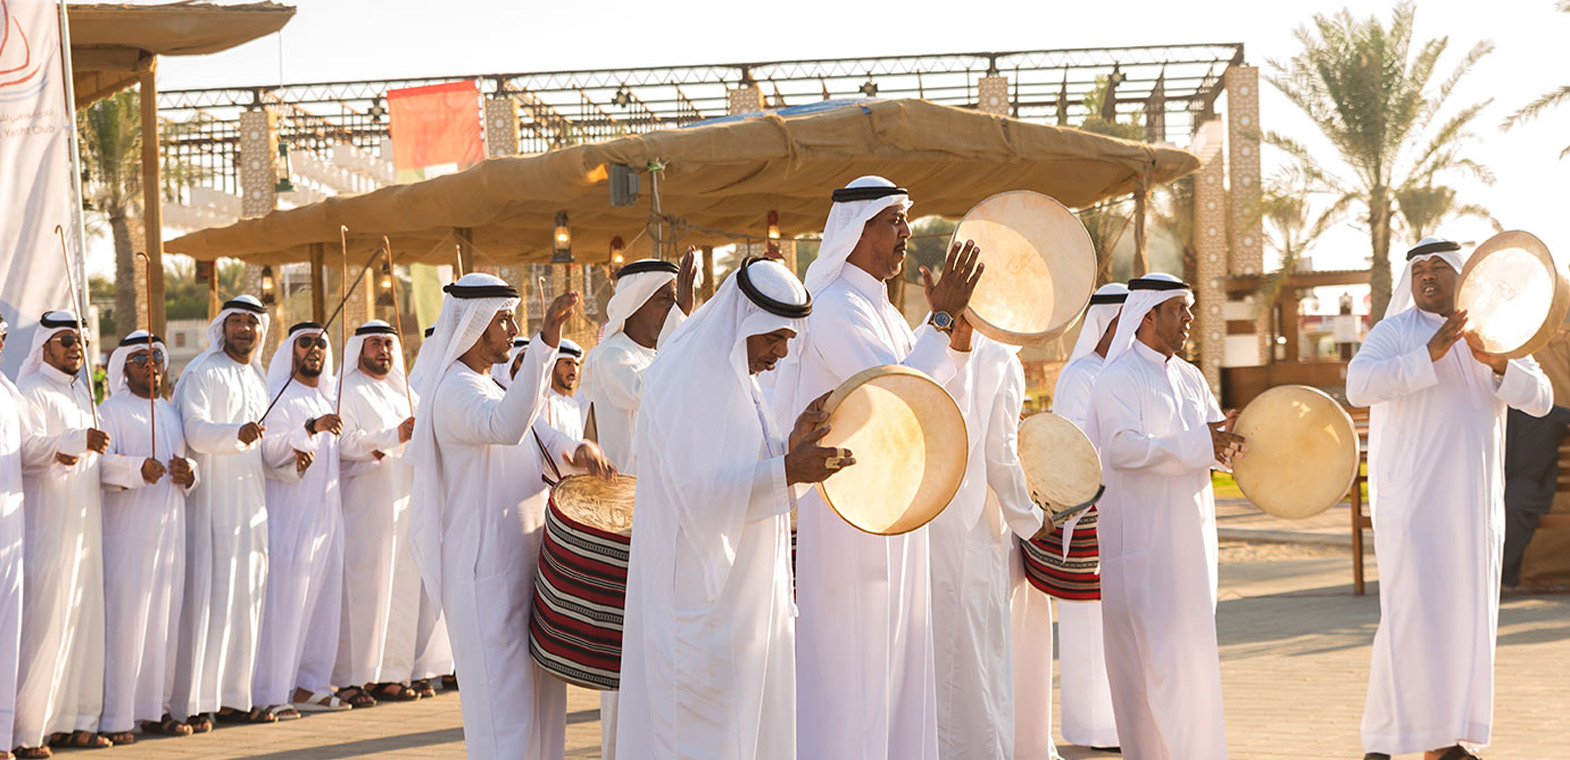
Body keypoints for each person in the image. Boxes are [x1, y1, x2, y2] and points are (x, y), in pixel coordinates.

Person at [771, 175, 982, 760]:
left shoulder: (879, 310)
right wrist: (940, 323)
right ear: (856, 231)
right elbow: (896, 396)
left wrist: (953, 335)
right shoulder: (836, 307)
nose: (906, 232)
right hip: (847, 513)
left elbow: (923, 388)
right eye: (893, 220)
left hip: (893, 506)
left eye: (904, 220)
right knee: (854, 666)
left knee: (897, 665)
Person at [616, 257, 845, 760]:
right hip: (699, 603)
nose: (781, 353)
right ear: (745, 323)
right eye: (773, 339)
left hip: (747, 602)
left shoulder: (741, 379)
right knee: (702, 739)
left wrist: (791, 451)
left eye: (787, 340)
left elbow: (748, 480)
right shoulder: (685, 382)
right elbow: (696, 493)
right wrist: (787, 469)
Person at [1348, 238, 1552, 760]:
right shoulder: (1394, 332)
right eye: (1418, 269)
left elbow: (1542, 398)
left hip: (1473, 506)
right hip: (1411, 504)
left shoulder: (1497, 331)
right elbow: (1359, 385)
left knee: (1463, 620)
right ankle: (1401, 738)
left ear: (1463, 276)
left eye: (1439, 267)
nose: (1428, 275)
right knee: (1411, 617)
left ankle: (1438, 737)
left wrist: (1499, 363)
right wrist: (1428, 354)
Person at [407, 273, 614, 760]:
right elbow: (505, 426)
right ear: (476, 327)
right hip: (483, 576)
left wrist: (577, 449)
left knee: (543, 710)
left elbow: (540, 432)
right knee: (504, 717)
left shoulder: (491, 381)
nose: (511, 328)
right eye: (504, 320)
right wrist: (545, 345)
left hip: (526, 568)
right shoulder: (454, 391)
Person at [1085, 273, 1241, 760]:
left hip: (1191, 545)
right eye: (1179, 309)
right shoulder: (1118, 377)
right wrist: (1201, 444)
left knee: (1190, 662)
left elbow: (1211, 440)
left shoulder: (1190, 376)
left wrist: (1228, 443)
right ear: (1147, 315)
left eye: (1189, 309)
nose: (1188, 319)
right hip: (1143, 549)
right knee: (1152, 670)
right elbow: (1123, 450)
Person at [579, 252, 695, 759]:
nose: (673, 310)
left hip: (673, 526)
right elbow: (655, 395)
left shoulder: (666, 352)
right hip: (627, 527)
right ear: (636, 303)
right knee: (628, 664)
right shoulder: (611, 357)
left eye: (675, 300)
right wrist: (685, 331)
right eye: (666, 300)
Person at [1017, 283, 1128, 755]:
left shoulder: (1118, 373)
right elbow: (1071, 452)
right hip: (1083, 514)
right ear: (1106, 324)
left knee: (1111, 622)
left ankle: (1113, 721)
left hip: (1119, 510)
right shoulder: (1082, 374)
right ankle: (1089, 726)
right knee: (1085, 626)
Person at [927, 331, 1045, 760]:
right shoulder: (1002, 359)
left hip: (932, 527)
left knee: (948, 666)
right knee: (980, 670)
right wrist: (1033, 518)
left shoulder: (931, 341)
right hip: (978, 535)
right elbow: (1001, 456)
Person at [334, 320, 452, 703]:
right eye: (374, 344)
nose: (383, 350)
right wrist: (393, 436)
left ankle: (393, 674)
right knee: (366, 592)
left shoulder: (406, 393)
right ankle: (356, 678)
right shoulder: (346, 391)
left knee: (401, 593)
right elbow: (344, 443)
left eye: (388, 343)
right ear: (359, 350)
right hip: (365, 508)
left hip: (406, 505)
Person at [170, 295, 273, 730]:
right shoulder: (202, 372)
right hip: (212, 501)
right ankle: (198, 700)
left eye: (253, 322)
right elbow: (193, 430)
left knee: (246, 599)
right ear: (222, 328)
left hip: (251, 500)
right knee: (212, 598)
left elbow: (267, 445)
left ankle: (236, 696)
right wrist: (237, 434)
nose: (245, 329)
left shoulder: (259, 378)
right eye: (237, 322)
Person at [13, 311, 112, 755]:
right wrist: (70, 443)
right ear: (44, 346)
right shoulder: (30, 392)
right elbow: (27, 450)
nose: (75, 347)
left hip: (85, 529)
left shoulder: (85, 396)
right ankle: (29, 730)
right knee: (45, 624)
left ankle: (75, 720)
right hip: (47, 527)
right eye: (66, 340)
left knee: (81, 621)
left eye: (80, 340)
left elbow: (103, 460)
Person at [96, 332, 198, 743]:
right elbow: (99, 467)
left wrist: (189, 473)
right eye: (140, 358)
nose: (150, 364)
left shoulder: (172, 412)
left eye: (156, 356)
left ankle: (157, 709)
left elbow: (190, 463)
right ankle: (118, 716)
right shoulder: (110, 411)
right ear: (124, 366)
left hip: (169, 532)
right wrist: (137, 469)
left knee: (164, 624)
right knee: (127, 624)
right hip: (127, 536)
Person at [253, 322, 351, 719]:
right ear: (291, 351)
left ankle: (311, 684)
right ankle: (272, 691)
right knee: (287, 603)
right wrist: (310, 429)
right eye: (306, 343)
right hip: (290, 517)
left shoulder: (327, 397)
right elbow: (268, 450)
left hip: (327, 516)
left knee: (324, 602)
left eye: (320, 344)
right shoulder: (280, 397)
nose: (314, 350)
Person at [0, 318, 29, 760]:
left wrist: (69, 444)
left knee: (6, 627)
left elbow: (30, 449)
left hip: (10, 526)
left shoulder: (8, 390)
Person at [1502, 404, 1570, 587]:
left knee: (1513, 506)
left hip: (1532, 486)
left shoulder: (1549, 412)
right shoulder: (1498, 411)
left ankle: (1501, 576)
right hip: (1501, 484)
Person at [542, 338, 584, 440]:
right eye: (567, 363)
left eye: (576, 365)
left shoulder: (573, 405)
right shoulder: (543, 402)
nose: (574, 370)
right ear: (552, 365)